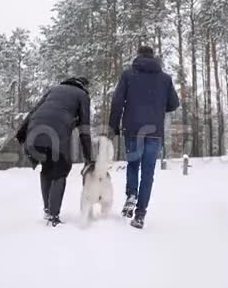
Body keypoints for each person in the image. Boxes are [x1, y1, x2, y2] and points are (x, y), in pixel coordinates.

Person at [109, 46, 180, 229]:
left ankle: (131, 195)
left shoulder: (128, 75)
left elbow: (117, 101)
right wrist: (157, 105)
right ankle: (140, 214)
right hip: (154, 132)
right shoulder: (165, 79)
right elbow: (174, 104)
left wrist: (113, 126)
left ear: (138, 56)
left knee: (133, 164)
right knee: (148, 172)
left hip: (133, 129)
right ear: (153, 57)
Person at [16, 77, 93, 227]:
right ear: (83, 86)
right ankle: (53, 215)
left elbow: (34, 110)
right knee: (60, 171)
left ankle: (48, 210)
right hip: (56, 134)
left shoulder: (54, 89)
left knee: (47, 169)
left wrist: (21, 134)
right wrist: (89, 156)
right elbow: (85, 128)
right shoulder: (82, 95)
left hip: (34, 132)